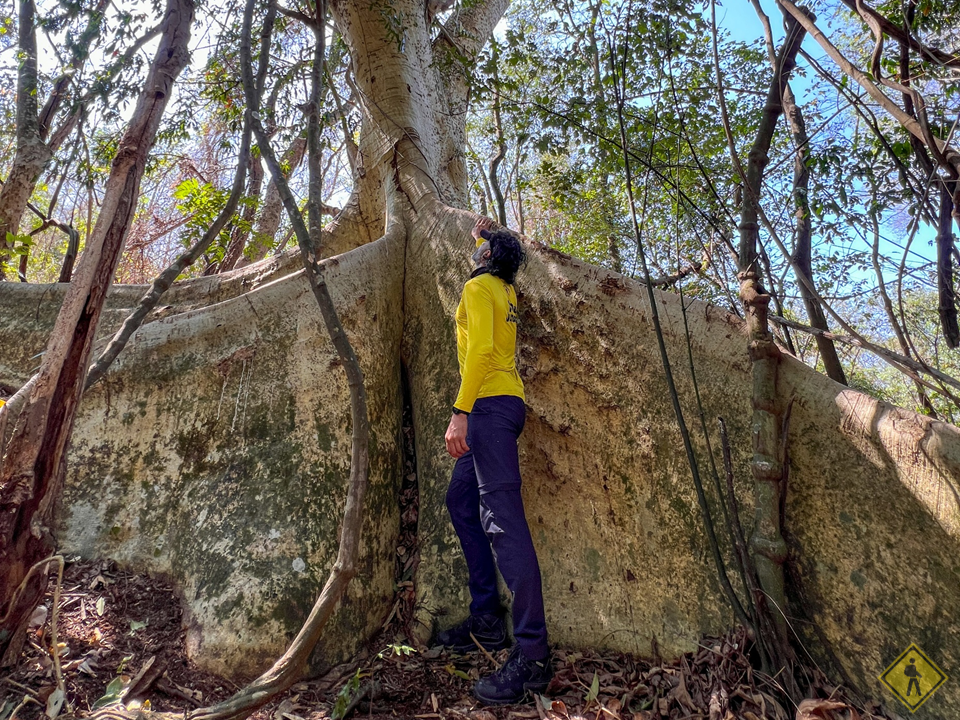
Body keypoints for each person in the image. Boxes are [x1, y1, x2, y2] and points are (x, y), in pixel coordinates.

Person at [437, 217, 552, 705]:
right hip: (505, 405)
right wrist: (489, 232)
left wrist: (460, 412)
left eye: (479, 249)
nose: (474, 252)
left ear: (486, 259)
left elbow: (481, 349)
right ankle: (487, 616)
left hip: (485, 409)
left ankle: (533, 658)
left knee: (503, 524)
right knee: (460, 501)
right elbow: (503, 249)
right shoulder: (506, 290)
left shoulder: (480, 287)